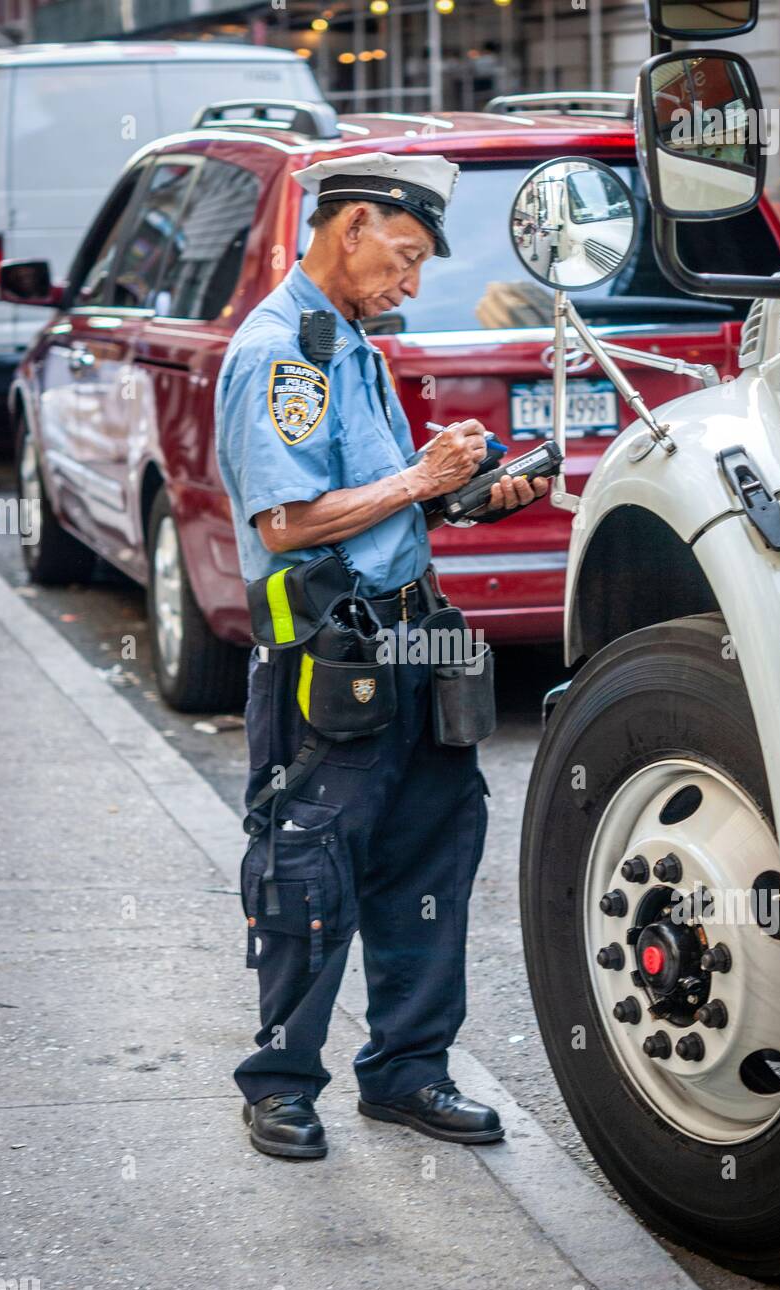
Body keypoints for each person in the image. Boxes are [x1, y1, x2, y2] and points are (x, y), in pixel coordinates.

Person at [215, 151, 548, 1160]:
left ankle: (408, 1072)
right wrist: (418, 478)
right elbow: (286, 522)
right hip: (331, 650)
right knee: (311, 866)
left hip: (414, 633)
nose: (410, 282)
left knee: (431, 855)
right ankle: (281, 1083)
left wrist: (468, 490)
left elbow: (380, 503)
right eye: (401, 257)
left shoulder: (348, 341)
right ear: (348, 226)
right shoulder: (284, 353)